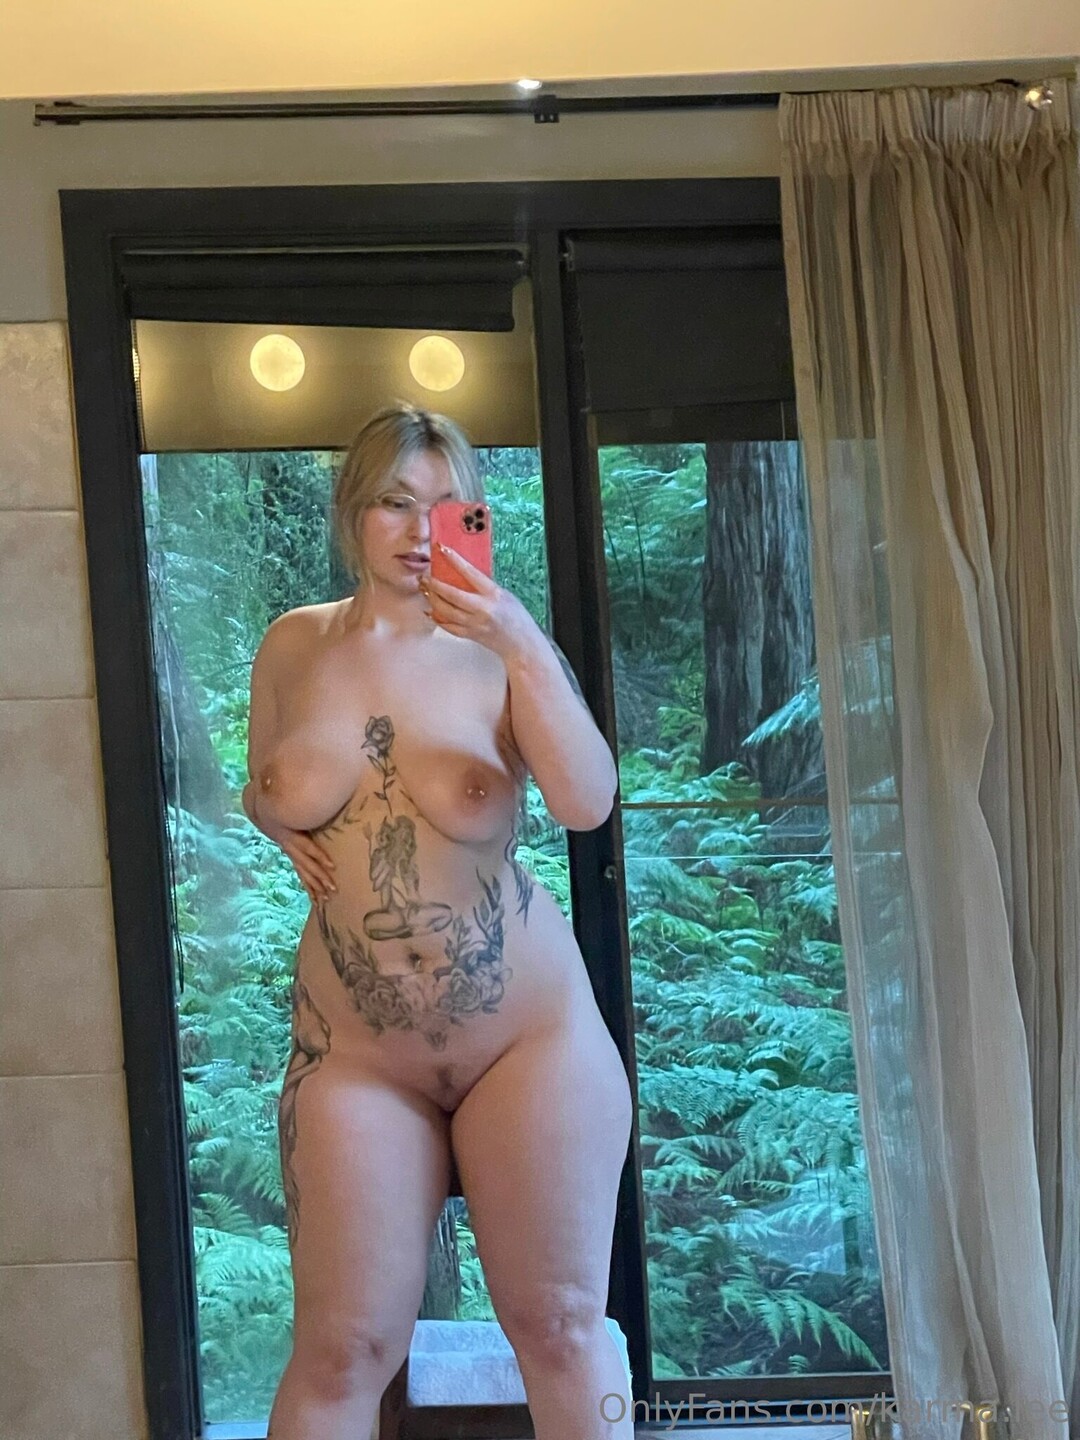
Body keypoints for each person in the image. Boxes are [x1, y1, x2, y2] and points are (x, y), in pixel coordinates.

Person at [241, 402, 634, 1440]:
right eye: (394, 503)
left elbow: (586, 799)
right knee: (340, 1351)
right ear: (351, 513)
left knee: (560, 1324)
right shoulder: (292, 646)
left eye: (449, 507)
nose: (421, 533)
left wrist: (518, 637)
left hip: (525, 1039)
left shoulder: (502, 649)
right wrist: (282, 828)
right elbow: (263, 783)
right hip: (356, 1053)